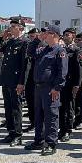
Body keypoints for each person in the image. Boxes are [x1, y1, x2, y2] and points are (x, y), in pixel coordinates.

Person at [23, 25, 68, 155]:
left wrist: (56, 88)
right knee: (39, 116)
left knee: (51, 116)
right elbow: (30, 52)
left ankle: (51, 143)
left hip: (50, 89)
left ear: (54, 35)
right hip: (39, 87)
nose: (44, 35)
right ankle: (39, 140)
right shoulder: (43, 49)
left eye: (47, 33)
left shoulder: (60, 51)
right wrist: (37, 40)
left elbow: (62, 72)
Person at [0, 20, 28, 146]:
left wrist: (21, 83)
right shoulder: (10, 41)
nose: (11, 29)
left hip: (16, 81)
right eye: (10, 26)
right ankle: (11, 132)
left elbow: (25, 65)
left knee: (16, 108)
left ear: (21, 28)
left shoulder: (24, 43)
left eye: (13, 27)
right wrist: (2, 37)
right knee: (8, 108)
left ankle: (18, 135)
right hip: (7, 80)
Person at [58, 28, 82, 142]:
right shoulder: (61, 49)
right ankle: (61, 129)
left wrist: (77, 84)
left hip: (71, 83)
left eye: (68, 35)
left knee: (69, 108)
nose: (65, 36)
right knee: (61, 107)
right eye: (64, 35)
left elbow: (79, 69)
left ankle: (68, 130)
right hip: (61, 83)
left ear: (73, 36)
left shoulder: (76, 50)